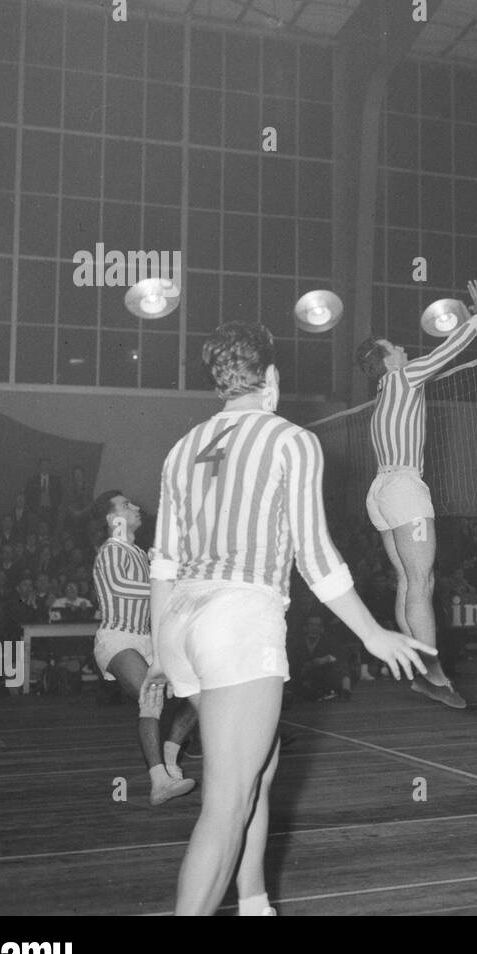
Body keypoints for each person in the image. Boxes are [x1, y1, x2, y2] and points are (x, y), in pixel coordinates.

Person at [143, 321, 433, 916]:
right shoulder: (290, 439)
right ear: (271, 379)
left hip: (179, 620)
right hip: (238, 618)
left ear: (220, 383)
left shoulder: (181, 447)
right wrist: (372, 633)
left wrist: (160, 651)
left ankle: (254, 902)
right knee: (226, 803)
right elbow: (315, 554)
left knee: (260, 765)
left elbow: (164, 560)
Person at [354, 280, 477, 709]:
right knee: (421, 582)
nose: (403, 349)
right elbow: (443, 355)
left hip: (380, 491)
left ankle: (416, 669)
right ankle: (433, 675)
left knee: (406, 582)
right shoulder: (401, 378)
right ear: (387, 361)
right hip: (403, 487)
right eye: (395, 347)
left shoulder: (381, 397)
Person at [92, 490, 198, 805]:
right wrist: (169, 585)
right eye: (126, 505)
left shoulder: (141, 553)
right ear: (114, 520)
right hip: (117, 639)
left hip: (148, 640)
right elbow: (122, 587)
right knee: (150, 698)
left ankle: (170, 755)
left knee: (198, 688)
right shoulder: (111, 550)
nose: (136, 506)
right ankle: (159, 782)